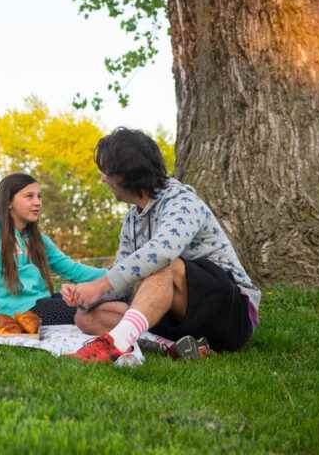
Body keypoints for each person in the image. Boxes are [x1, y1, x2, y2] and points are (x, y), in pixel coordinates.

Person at [63, 127, 261, 363]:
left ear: (126, 175)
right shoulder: (131, 220)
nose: (103, 178)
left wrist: (101, 284)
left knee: (162, 264)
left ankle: (116, 343)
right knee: (87, 317)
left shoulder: (181, 201)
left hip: (230, 313)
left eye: (106, 172)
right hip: (176, 316)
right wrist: (87, 293)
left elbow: (162, 253)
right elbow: (123, 281)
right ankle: (174, 348)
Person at [0, 173, 107, 325]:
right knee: (98, 310)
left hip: (44, 302)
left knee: (104, 298)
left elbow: (71, 269)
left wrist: (114, 276)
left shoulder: (36, 238)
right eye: (29, 196)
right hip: (22, 313)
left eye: (39, 197)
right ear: (8, 202)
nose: (37, 202)